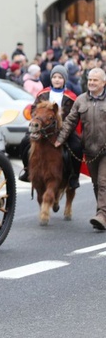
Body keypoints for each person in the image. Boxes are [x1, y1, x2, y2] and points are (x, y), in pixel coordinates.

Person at [56, 67, 106, 230]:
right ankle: (102, 212)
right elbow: (70, 122)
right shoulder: (80, 100)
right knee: (96, 184)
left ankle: (102, 215)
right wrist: (60, 140)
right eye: (90, 79)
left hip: (105, 149)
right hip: (89, 150)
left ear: (103, 83)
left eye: (95, 80)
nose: (91, 82)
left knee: (103, 182)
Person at [19, 65, 81, 188]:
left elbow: (74, 116)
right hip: (43, 129)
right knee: (24, 143)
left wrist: (63, 128)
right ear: (51, 78)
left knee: (77, 146)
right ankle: (27, 169)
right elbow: (33, 109)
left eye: (60, 77)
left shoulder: (71, 97)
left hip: (64, 129)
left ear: (65, 79)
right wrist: (37, 120)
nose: (57, 80)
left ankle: (74, 176)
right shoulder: (43, 93)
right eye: (54, 77)